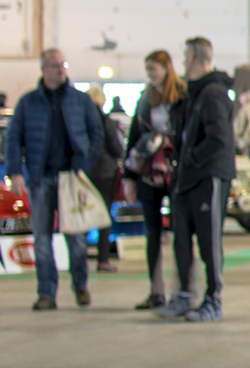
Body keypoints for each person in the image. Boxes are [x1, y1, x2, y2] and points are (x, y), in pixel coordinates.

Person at [4, 50, 106, 311]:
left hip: (71, 179)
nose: (60, 70)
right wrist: (15, 171)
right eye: (54, 65)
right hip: (41, 179)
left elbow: (97, 134)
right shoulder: (28, 102)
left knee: (77, 239)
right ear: (43, 69)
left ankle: (80, 285)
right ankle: (46, 293)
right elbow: (13, 138)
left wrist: (84, 164)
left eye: (63, 65)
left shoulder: (80, 101)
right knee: (41, 240)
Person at [161, 37, 235, 323]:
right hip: (187, 178)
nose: (182, 62)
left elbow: (219, 138)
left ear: (193, 58)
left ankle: (213, 299)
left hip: (208, 177)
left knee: (208, 241)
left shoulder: (213, 93)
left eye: (184, 56)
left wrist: (192, 159)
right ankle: (183, 296)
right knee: (181, 237)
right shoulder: (192, 95)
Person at [123, 51, 185, 310]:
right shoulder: (145, 98)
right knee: (153, 234)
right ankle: (156, 290)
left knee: (181, 232)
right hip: (149, 174)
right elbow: (134, 137)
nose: (150, 73)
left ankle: (182, 291)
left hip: (176, 172)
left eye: (154, 68)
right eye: (147, 68)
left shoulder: (182, 97)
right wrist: (128, 176)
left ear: (166, 68)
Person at [83, 83, 126, 274]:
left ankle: (78, 259)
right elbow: (115, 146)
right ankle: (102, 261)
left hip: (84, 173)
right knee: (104, 218)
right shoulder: (106, 121)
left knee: (82, 216)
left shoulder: (80, 121)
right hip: (105, 174)